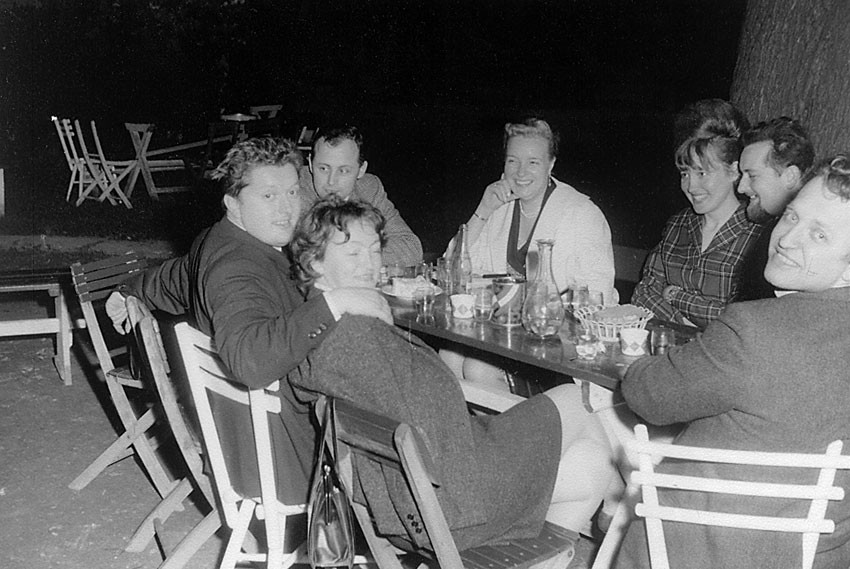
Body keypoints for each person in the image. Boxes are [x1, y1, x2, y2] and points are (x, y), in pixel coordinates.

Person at [288, 197, 615, 549]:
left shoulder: (322, 326)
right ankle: (617, 502)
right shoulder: (356, 335)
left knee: (592, 465)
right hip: (450, 505)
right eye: (353, 253)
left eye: (374, 250)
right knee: (576, 399)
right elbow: (426, 433)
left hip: (414, 503)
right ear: (315, 262)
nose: (369, 264)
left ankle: (597, 511)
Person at [106, 137, 392, 504]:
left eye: (292, 192)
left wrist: (129, 289)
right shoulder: (235, 269)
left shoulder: (218, 240)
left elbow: (174, 277)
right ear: (233, 203)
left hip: (254, 440)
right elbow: (250, 359)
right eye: (269, 196)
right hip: (293, 459)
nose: (287, 209)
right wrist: (334, 303)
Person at [614, 155, 850, 569]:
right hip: (818, 552)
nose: (787, 239)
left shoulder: (753, 328)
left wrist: (637, 362)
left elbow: (647, 396)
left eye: (819, 235)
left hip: (703, 548)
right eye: (792, 216)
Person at [441, 117, 616, 390]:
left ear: (551, 164)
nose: (521, 172)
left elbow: (596, 299)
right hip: (506, 338)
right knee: (448, 356)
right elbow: (452, 269)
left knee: (477, 367)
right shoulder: (500, 206)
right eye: (513, 161)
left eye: (533, 162)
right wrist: (483, 210)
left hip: (560, 349)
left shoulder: (581, 214)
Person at [631, 105, 764, 330]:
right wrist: (682, 324)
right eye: (685, 173)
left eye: (702, 173)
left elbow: (742, 319)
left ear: (734, 171)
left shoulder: (757, 234)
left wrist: (675, 296)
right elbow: (643, 294)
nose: (691, 186)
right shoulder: (679, 225)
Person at [298, 125, 423, 267]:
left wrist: (354, 255)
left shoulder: (369, 188)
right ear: (310, 163)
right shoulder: (295, 187)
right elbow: (304, 254)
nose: (331, 181)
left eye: (343, 171)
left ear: (361, 169)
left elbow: (411, 247)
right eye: (323, 168)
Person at [736, 117, 815, 300]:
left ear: (790, 176)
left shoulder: (805, 243)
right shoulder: (772, 230)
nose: (741, 188)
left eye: (752, 176)